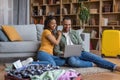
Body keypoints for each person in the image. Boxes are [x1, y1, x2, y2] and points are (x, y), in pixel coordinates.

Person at [53, 17, 120, 72]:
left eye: (69, 25)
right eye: (65, 24)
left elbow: (81, 44)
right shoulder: (58, 35)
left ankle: (115, 67)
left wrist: (79, 48)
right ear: (62, 24)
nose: (67, 26)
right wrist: (63, 53)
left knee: (96, 58)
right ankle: (91, 64)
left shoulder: (74, 32)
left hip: (80, 52)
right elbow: (56, 51)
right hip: (69, 56)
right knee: (72, 61)